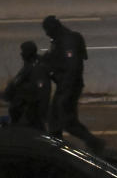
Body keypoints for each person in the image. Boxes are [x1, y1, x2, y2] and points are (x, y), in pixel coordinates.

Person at [42, 15, 106, 154]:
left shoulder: (67, 40)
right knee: (53, 118)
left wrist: (66, 92)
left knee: (68, 121)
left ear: (53, 28)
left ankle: (95, 143)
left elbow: (72, 67)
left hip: (69, 87)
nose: (47, 34)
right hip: (63, 86)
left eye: (47, 30)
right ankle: (55, 147)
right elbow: (53, 58)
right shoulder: (59, 40)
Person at [3, 40, 50, 130]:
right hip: (33, 106)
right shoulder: (36, 63)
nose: (21, 54)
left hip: (31, 107)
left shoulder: (33, 67)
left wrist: (10, 92)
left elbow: (17, 82)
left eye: (23, 52)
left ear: (28, 53)